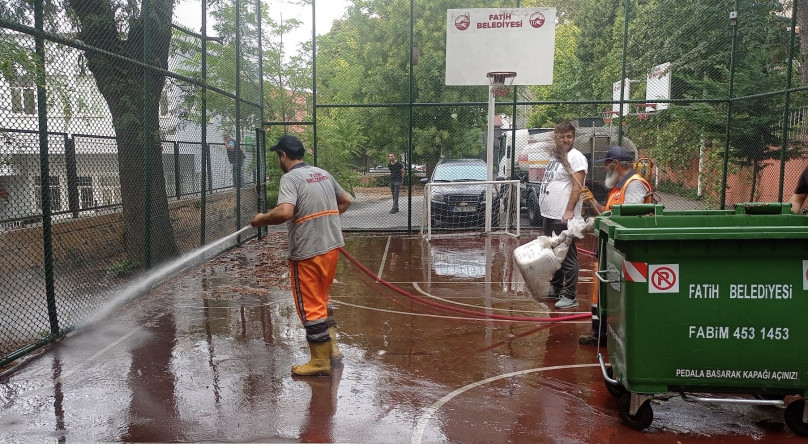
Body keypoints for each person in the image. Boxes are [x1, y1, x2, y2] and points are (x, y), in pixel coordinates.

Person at [250, 134, 352, 376]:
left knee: (310, 306)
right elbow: (346, 200)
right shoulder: (322, 174)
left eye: (278, 156)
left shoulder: (291, 178)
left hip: (308, 252)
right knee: (323, 299)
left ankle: (319, 362)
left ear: (283, 155)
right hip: (331, 248)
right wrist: (325, 221)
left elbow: (285, 212)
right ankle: (333, 349)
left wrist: (260, 220)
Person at [578, 145, 653, 346]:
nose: (605, 169)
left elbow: (629, 219)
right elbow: (608, 213)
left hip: (623, 249)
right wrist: (593, 202)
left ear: (616, 164)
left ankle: (608, 334)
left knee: (614, 290)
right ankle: (600, 333)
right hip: (609, 246)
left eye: (607, 165)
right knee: (600, 288)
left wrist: (597, 221)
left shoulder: (634, 185)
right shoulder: (619, 186)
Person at [538, 121, 588, 309]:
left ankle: (570, 295)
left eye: (569, 136)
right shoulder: (557, 156)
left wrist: (569, 210)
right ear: (556, 137)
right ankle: (556, 287)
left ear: (574, 138)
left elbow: (577, 186)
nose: (566, 140)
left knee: (567, 256)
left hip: (563, 216)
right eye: (562, 136)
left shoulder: (576, 157)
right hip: (549, 214)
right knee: (553, 253)